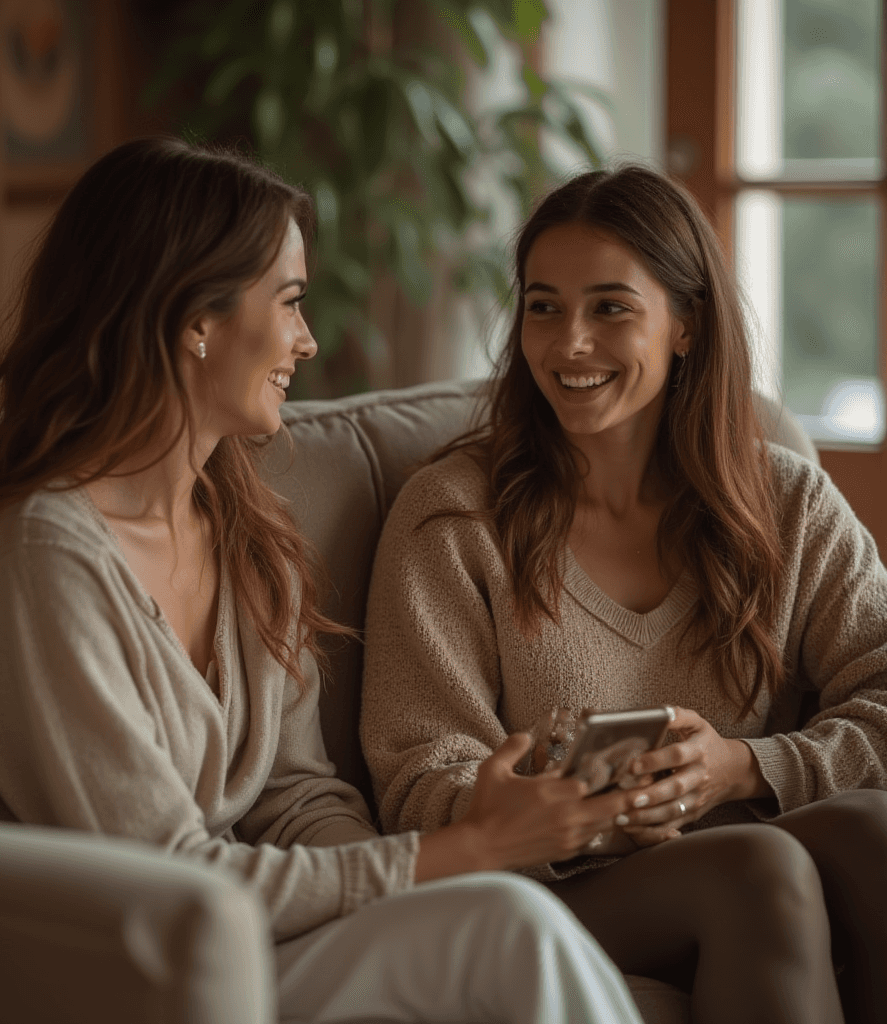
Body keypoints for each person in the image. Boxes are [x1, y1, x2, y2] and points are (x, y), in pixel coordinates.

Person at [0, 137, 648, 1024]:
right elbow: (165, 883)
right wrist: (463, 850)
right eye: (290, 302)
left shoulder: (238, 527)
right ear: (195, 318)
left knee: (502, 919)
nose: (307, 341)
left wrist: (430, 880)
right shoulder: (41, 567)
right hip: (118, 972)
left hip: (250, 945)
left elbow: (297, 795)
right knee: (509, 928)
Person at [360, 164, 887, 1024]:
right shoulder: (453, 516)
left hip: (743, 847)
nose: (568, 343)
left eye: (610, 307)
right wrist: (551, 798)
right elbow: (417, 776)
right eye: (543, 306)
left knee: (870, 834)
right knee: (755, 869)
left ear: (685, 325)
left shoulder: (787, 502)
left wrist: (743, 766)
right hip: (543, 891)